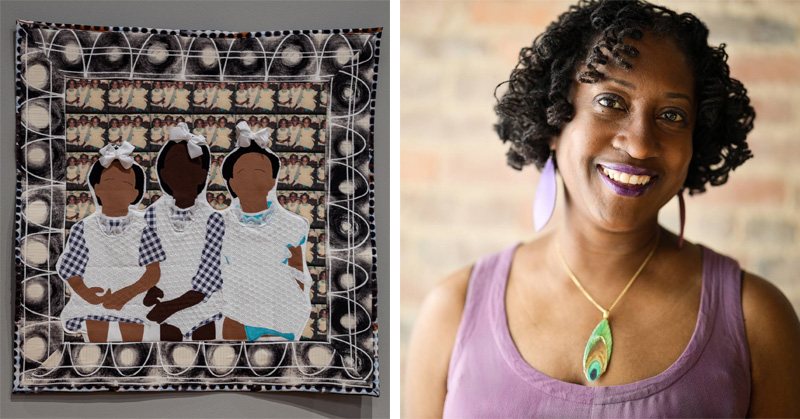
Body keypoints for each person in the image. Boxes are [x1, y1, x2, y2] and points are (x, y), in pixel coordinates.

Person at [404, 1, 800, 417]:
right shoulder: (453, 310)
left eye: (671, 114)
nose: (641, 143)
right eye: (611, 102)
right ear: (554, 121)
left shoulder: (757, 320)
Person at [217, 123, 312, 342]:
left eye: (259, 172)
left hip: (284, 316)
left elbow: (299, 272)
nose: (251, 178)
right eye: (242, 173)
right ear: (231, 182)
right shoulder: (218, 224)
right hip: (235, 315)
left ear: (272, 180)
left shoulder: (293, 225)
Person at [56, 143, 158, 342]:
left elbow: (153, 272)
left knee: (135, 346)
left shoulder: (144, 227)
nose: (117, 189)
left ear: (135, 193)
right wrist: (86, 294)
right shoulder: (83, 228)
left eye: (125, 185)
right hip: (93, 305)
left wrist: (127, 294)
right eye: (110, 182)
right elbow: (70, 270)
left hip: (133, 305)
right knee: (96, 343)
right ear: (97, 189)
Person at [140, 124, 224, 341]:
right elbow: (142, 264)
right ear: (164, 174)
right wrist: (150, 291)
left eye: (189, 168)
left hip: (203, 306)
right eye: (175, 167)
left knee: (206, 344)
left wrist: (171, 307)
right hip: (159, 308)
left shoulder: (214, 220)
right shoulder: (149, 217)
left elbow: (210, 279)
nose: (181, 174)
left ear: (202, 174)